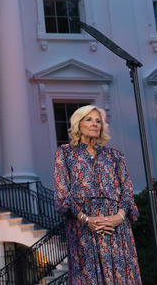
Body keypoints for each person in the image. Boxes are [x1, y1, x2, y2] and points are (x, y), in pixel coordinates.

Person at [53, 105, 142, 284]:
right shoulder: (65, 153)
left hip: (116, 227)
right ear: (79, 124)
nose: (94, 124)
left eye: (98, 121)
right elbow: (62, 193)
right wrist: (86, 219)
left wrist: (118, 217)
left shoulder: (115, 156)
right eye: (89, 119)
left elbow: (127, 191)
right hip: (83, 227)